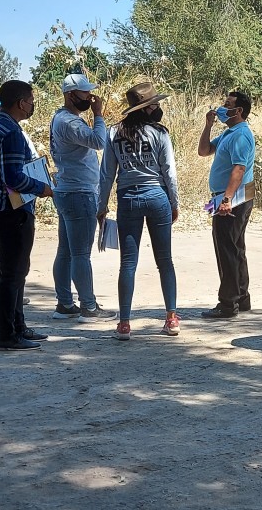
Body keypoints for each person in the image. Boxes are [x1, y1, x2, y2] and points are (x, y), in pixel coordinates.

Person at [98, 83, 180, 341]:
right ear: (146, 108)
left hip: (128, 198)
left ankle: (124, 323)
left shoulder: (114, 133)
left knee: (128, 263)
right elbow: (169, 172)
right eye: (155, 104)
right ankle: (171, 318)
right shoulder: (159, 133)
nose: (158, 108)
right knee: (164, 260)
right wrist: (174, 203)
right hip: (157, 197)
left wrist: (101, 206)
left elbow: (107, 174)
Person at [0, 80, 53, 351]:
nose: (33, 104)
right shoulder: (11, 131)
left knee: (14, 272)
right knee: (12, 275)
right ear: (21, 102)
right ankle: (6, 335)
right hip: (12, 211)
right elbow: (13, 177)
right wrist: (43, 187)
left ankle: (18, 327)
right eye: (31, 100)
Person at [50, 74, 116, 323]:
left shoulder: (62, 118)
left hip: (68, 189)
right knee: (80, 253)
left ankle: (65, 303)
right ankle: (88, 305)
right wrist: (98, 114)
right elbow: (99, 141)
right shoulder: (70, 122)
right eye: (85, 93)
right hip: (79, 192)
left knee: (66, 251)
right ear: (70, 95)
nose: (90, 97)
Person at [198, 91, 256, 319]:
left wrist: (226, 199)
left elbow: (239, 169)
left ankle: (227, 303)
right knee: (235, 247)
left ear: (239, 110)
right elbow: (204, 151)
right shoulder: (229, 133)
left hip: (234, 198)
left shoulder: (241, 135)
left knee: (227, 249)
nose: (223, 107)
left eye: (227, 104)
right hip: (229, 197)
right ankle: (241, 297)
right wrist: (208, 125)